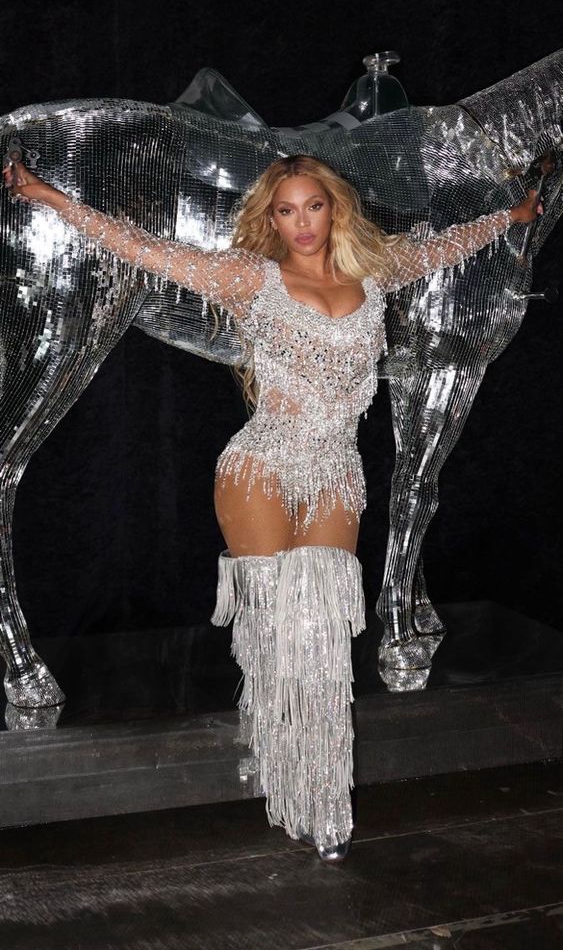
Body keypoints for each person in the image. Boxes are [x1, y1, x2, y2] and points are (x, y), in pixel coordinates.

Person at [3, 154, 540, 861]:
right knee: (277, 636)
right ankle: (284, 777)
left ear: (334, 208)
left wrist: (512, 216)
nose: (302, 222)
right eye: (286, 211)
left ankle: (321, 795)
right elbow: (137, 246)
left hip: (336, 472)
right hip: (260, 467)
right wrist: (48, 196)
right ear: (272, 219)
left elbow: (446, 245)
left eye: (313, 206)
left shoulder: (375, 271)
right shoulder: (247, 278)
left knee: (320, 635)